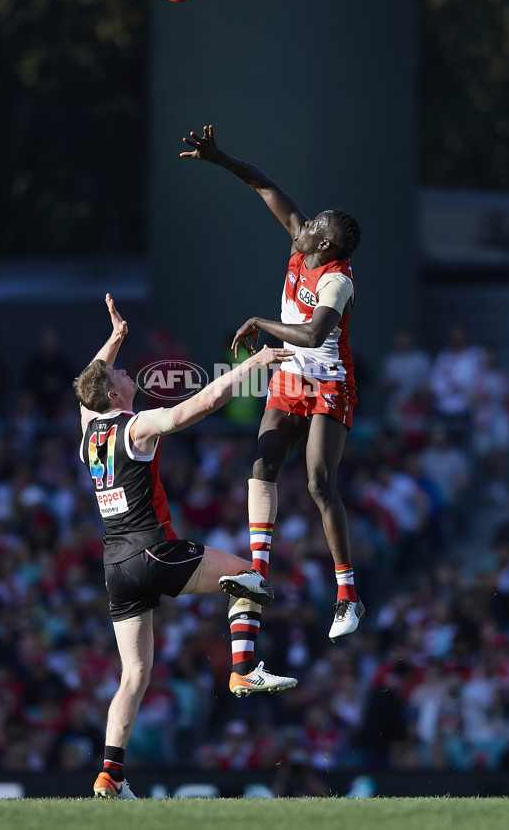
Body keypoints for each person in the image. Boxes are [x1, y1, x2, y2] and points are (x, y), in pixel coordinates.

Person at [73, 293, 297, 800]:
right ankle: (243, 671)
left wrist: (114, 338)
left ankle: (110, 774)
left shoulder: (89, 434)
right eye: (122, 373)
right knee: (250, 575)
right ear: (113, 395)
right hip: (153, 551)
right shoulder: (137, 426)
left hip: (115, 565)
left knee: (134, 674)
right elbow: (202, 405)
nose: (129, 374)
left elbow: (86, 391)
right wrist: (255, 363)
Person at [180, 125, 364, 641]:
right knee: (261, 464)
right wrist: (218, 158)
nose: (302, 225)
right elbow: (263, 184)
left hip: (328, 382)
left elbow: (312, 334)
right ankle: (259, 571)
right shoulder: (303, 244)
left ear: (325, 242)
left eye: (313, 226)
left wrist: (261, 322)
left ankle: (347, 597)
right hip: (289, 375)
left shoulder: (337, 280)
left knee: (318, 484)